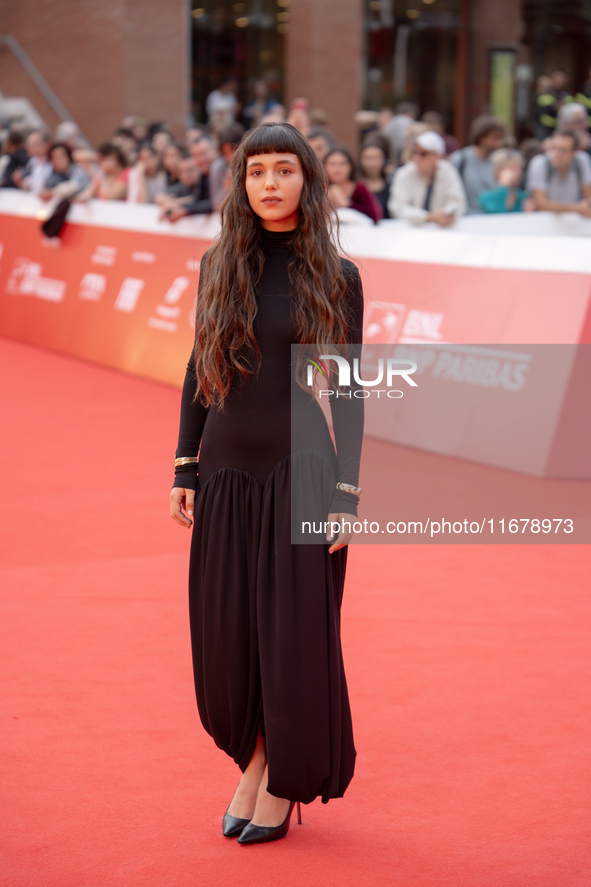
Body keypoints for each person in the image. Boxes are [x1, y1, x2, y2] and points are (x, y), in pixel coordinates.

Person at [169, 121, 364, 844]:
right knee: (229, 636)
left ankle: (278, 775)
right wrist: (184, 463)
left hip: (299, 473)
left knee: (290, 635)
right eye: (257, 172)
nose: (270, 184)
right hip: (223, 471)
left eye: (284, 170)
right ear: (241, 183)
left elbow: (344, 392)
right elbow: (199, 367)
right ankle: (252, 756)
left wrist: (347, 491)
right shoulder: (218, 262)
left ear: (306, 181)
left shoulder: (334, 275)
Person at [389, 130, 466, 226]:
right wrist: (428, 217)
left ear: (437, 156)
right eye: (415, 152)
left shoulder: (448, 171)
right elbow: (397, 207)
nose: (417, 157)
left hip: (442, 233)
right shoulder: (404, 173)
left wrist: (446, 214)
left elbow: (458, 203)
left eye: (423, 154)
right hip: (410, 235)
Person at [526, 129, 591, 216]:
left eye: (563, 150)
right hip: (543, 224)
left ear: (574, 152)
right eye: (554, 147)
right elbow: (540, 204)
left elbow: (588, 198)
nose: (557, 153)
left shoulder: (581, 161)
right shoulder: (540, 163)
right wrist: (577, 208)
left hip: (574, 224)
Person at [450, 116, 506, 214]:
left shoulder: (501, 162)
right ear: (482, 137)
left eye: (501, 138)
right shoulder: (461, 159)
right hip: (465, 220)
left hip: (493, 220)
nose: (499, 142)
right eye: (495, 138)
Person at [161, 135, 216, 221]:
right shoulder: (203, 176)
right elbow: (198, 201)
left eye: (203, 153)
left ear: (213, 151)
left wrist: (184, 210)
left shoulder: (221, 170)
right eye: (196, 155)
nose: (201, 159)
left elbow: (214, 204)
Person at [325, 145, 383, 223]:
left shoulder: (360, 188)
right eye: (333, 164)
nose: (337, 168)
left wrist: (347, 204)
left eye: (342, 164)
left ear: (351, 166)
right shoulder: (319, 188)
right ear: (324, 166)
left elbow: (375, 216)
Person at [478, 149, 532, 213]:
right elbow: (498, 217)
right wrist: (503, 187)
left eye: (519, 168)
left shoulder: (524, 197)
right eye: (512, 168)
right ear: (498, 171)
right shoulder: (486, 198)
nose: (517, 172)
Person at [209, 122, 245, 210]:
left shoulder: (251, 165)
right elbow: (216, 205)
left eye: (234, 149)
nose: (231, 156)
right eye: (226, 152)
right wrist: (227, 188)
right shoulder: (217, 167)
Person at [358, 140, 392, 219]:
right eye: (368, 158)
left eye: (377, 157)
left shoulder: (392, 185)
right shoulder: (355, 187)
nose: (372, 162)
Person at [13, 129, 52, 195]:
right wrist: (20, 182)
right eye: (28, 144)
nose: (28, 147)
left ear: (45, 145)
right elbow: (30, 188)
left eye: (33, 144)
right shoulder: (31, 162)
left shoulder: (52, 162)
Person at [381, 101, 419, 165]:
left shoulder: (391, 121)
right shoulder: (409, 121)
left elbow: (384, 134)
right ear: (410, 113)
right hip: (406, 155)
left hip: (391, 155)